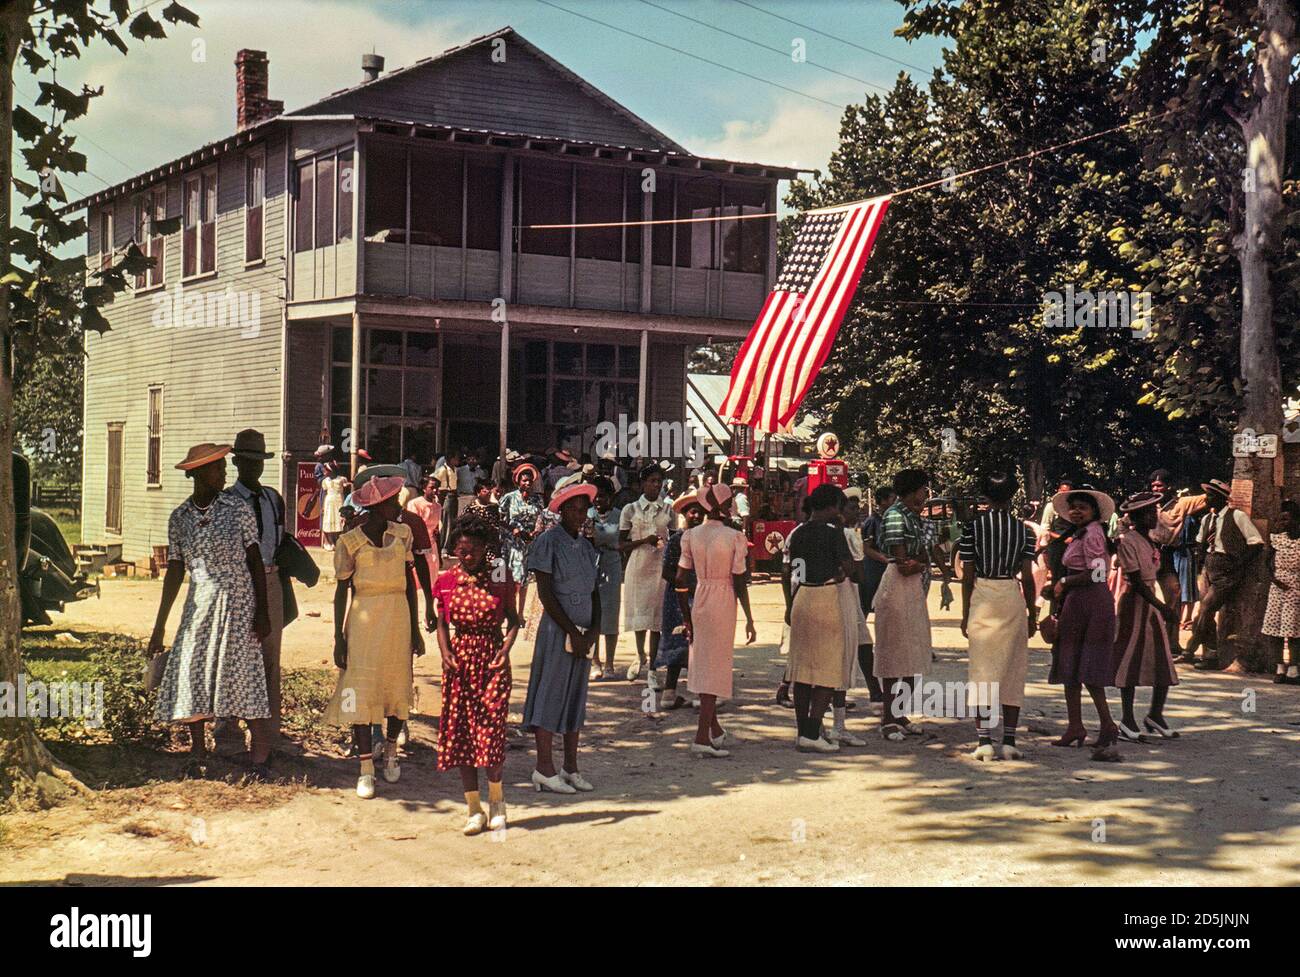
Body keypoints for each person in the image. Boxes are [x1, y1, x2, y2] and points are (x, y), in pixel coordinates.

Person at [148, 444, 272, 779]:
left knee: (243, 672)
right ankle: (199, 751)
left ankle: (260, 756)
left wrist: (262, 611)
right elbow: (175, 571)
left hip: (238, 599)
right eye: (217, 468)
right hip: (199, 601)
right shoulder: (180, 518)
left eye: (223, 467)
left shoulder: (237, 508)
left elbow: (255, 561)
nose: (224, 473)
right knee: (192, 671)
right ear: (199, 473)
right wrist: (159, 626)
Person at [324, 476, 425, 798]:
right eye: (393, 502)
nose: (398, 507)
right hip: (363, 621)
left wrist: (416, 628)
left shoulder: (403, 534)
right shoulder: (349, 541)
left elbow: (410, 585)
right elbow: (341, 592)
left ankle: (391, 751)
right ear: (378, 506)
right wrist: (339, 638)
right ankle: (366, 768)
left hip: (397, 618)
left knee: (396, 685)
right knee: (361, 688)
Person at [434, 514, 520, 835]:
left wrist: (505, 649)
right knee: (462, 736)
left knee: (492, 730)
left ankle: (497, 803)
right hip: (459, 663)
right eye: (461, 551)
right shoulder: (446, 580)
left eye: (472, 550)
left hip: (492, 660)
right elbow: (442, 622)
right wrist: (445, 653)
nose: (466, 556)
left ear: (485, 548)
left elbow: (513, 620)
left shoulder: (498, 576)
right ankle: (473, 809)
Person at [523, 482, 602, 794]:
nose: (580, 516)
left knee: (575, 697)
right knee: (550, 694)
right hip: (558, 629)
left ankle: (571, 766)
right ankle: (544, 767)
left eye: (584, 510)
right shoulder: (547, 542)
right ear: (562, 510)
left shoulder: (585, 547)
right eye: (575, 510)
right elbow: (545, 592)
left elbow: (595, 592)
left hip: (583, 633)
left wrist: (593, 631)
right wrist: (571, 630)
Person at [214, 429, 289, 758]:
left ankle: (269, 736)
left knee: (270, 660)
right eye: (247, 462)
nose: (253, 468)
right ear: (237, 463)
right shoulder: (226, 501)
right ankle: (227, 734)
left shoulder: (273, 499)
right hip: (237, 584)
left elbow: (282, 542)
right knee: (233, 660)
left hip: (271, 581)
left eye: (258, 462)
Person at [958, 471, 1037, 761]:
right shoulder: (1024, 531)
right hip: (1011, 594)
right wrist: (1032, 614)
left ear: (986, 497)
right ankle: (1010, 740)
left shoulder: (973, 528)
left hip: (984, 594)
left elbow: (967, 576)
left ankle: (984, 741)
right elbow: (1028, 577)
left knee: (982, 670)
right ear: (1013, 495)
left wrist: (965, 614)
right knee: (1013, 669)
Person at [676, 484, 756, 757]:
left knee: (702, 661)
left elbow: (679, 580)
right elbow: (740, 580)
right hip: (723, 599)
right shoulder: (734, 537)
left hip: (700, 597)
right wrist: (749, 617)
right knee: (715, 666)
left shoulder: (690, 535)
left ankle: (715, 729)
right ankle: (701, 737)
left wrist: (686, 618)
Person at [1047, 488, 1121, 761]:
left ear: (1094, 513)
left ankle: (1105, 724)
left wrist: (1064, 582)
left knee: (1085, 667)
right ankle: (1076, 725)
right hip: (1077, 601)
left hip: (1090, 601)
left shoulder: (1093, 534)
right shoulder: (1078, 533)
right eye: (1073, 507)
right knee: (1071, 665)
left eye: (1083, 508)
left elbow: (1097, 573)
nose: (1077, 512)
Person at [785, 485, 852, 751]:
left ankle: (803, 731)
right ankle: (813, 732)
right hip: (825, 596)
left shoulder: (797, 533)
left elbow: (792, 572)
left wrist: (789, 606)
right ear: (832, 506)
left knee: (801, 669)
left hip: (802, 597)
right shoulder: (833, 534)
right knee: (827, 668)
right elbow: (849, 568)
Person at [1111, 492, 1180, 741]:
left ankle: (1155, 714)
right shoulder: (1127, 541)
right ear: (1137, 517)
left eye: (1155, 511)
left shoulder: (1150, 540)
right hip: (1135, 603)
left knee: (1162, 659)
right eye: (1149, 513)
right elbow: (1137, 582)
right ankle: (1127, 720)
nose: (1154, 516)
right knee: (1130, 658)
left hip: (1150, 602)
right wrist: (1162, 607)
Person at [874, 470, 935, 741]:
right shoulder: (896, 515)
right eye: (924, 490)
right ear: (913, 490)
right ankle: (888, 717)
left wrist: (919, 562)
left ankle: (900, 713)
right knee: (894, 652)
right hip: (897, 586)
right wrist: (919, 562)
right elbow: (904, 564)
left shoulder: (913, 516)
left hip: (912, 588)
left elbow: (920, 556)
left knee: (912, 652)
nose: (926, 495)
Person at [1186, 478, 1265, 669]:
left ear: (1222, 498)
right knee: (1205, 612)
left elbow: (1256, 543)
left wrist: (1237, 564)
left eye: (1211, 495)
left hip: (1226, 569)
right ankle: (1211, 655)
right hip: (1209, 567)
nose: (1207, 498)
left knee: (1205, 608)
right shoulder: (1207, 519)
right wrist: (1200, 563)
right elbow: (1200, 542)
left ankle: (1190, 649)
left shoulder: (1237, 516)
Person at [619, 463, 672, 684]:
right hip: (638, 566)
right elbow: (621, 544)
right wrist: (643, 541)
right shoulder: (630, 509)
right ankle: (639, 655)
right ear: (643, 483)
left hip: (659, 566)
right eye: (652, 481)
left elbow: (675, 537)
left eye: (659, 481)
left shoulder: (668, 509)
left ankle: (652, 667)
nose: (656, 485)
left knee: (655, 619)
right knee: (640, 615)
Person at [1148, 470, 1208, 652]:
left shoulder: (1181, 504)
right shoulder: (1146, 502)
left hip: (1166, 556)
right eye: (1154, 486)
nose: (1156, 488)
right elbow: (1124, 523)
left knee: (1174, 594)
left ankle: (1171, 643)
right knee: (1141, 595)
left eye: (1160, 485)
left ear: (1169, 487)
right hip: (1146, 552)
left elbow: (1208, 497)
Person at [657, 491, 705, 708]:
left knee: (698, 644)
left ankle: (696, 691)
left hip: (700, 595)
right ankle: (669, 691)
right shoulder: (677, 539)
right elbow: (666, 571)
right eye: (693, 512)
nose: (697, 516)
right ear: (685, 514)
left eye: (701, 512)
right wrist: (685, 586)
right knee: (678, 641)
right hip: (678, 598)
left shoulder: (705, 538)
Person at [830, 494, 870, 747]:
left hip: (837, 597)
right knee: (842, 662)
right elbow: (858, 576)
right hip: (844, 598)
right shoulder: (848, 536)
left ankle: (832, 723)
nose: (858, 512)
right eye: (853, 508)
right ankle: (838, 725)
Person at [855, 486, 895, 702]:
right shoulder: (872, 522)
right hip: (872, 574)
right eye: (890, 499)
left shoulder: (891, 521)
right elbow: (867, 548)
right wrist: (884, 559)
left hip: (884, 574)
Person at [588, 476, 624, 682]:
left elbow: (622, 541)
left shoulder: (620, 516)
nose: (599, 500)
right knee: (592, 616)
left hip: (612, 566)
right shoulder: (587, 514)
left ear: (610, 497)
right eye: (596, 497)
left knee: (611, 614)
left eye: (603, 496)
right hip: (590, 567)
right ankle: (595, 662)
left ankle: (610, 663)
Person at [499, 463, 546, 618]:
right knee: (516, 578)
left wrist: (536, 531)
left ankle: (520, 613)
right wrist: (514, 530)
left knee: (525, 579)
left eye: (529, 481)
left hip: (529, 542)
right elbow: (499, 519)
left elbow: (541, 518)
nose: (527, 483)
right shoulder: (509, 498)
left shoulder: (537, 499)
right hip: (513, 543)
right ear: (518, 481)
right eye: (524, 480)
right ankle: (510, 610)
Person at [1265, 500, 1300, 684]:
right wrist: (1275, 580)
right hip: (1277, 588)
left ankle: (1293, 669)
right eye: (1281, 519)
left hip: (1296, 589)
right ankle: (1279, 667)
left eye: (1287, 519)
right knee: (1275, 629)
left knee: (1294, 630)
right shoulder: (1277, 540)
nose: (1283, 523)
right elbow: (1267, 563)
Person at [406, 474, 443, 585]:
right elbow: (411, 527)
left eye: (437, 488)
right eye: (432, 488)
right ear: (424, 488)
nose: (435, 490)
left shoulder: (438, 507)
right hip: (418, 545)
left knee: (432, 576)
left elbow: (436, 530)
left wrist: (439, 555)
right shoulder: (415, 504)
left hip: (432, 545)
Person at [432, 449, 461, 552]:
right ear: (451, 459)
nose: (458, 460)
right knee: (446, 522)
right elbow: (433, 480)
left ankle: (450, 545)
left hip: (454, 496)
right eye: (456, 458)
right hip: (446, 496)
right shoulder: (442, 469)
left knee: (453, 522)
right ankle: (444, 547)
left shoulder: (455, 469)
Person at [320, 458, 348, 551]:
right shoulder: (325, 481)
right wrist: (323, 506)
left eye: (326, 470)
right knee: (328, 519)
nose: (325, 472)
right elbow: (324, 492)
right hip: (329, 501)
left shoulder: (341, 479)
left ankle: (337, 542)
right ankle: (329, 542)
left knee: (338, 519)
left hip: (338, 500)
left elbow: (347, 487)